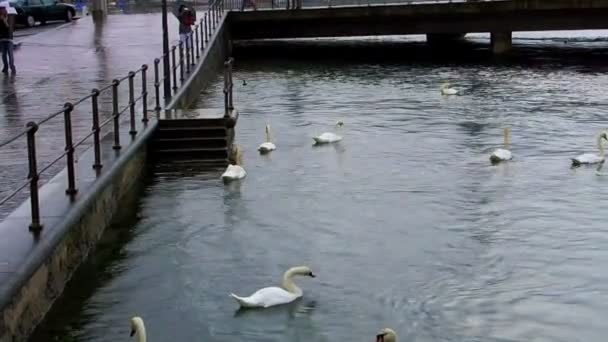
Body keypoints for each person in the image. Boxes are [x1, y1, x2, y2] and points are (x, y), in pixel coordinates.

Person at [0, 7, 15, 74]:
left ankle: (12, 67)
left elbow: (11, 29)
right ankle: (5, 67)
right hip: (2, 39)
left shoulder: (10, 17)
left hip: (9, 39)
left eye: (4, 9)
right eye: (1, 10)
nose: (3, 11)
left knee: (10, 55)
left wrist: (5, 21)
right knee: (3, 55)